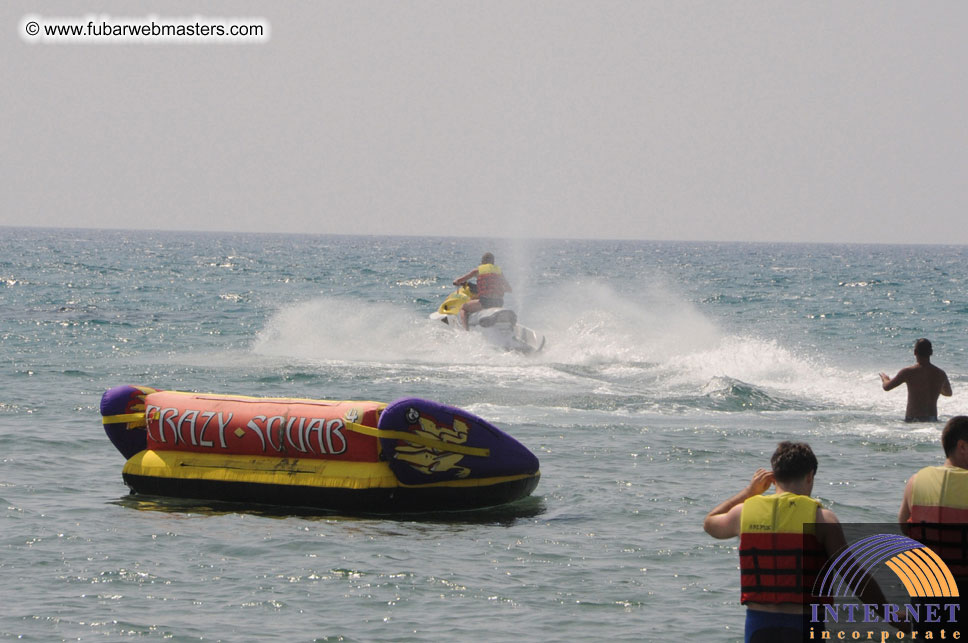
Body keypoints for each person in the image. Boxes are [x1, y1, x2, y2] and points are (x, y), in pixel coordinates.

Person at [703, 442, 845, 642]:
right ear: (810, 476)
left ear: (774, 476)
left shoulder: (743, 513)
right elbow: (855, 576)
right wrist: (889, 614)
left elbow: (710, 523)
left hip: (759, 625)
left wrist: (749, 492)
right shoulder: (823, 519)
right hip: (803, 625)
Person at [880, 338, 952, 422]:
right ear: (931, 352)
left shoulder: (908, 372)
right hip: (932, 421)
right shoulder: (940, 374)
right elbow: (948, 393)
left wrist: (885, 379)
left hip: (912, 420)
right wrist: (935, 387)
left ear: (915, 352)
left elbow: (887, 387)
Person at [452, 252, 512, 330]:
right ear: (493, 262)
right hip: (499, 302)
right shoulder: (499, 272)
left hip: (486, 302)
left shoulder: (477, 270)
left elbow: (459, 280)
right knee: (474, 299)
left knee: (463, 308)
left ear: (483, 261)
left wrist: (456, 281)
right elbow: (509, 289)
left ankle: (465, 331)